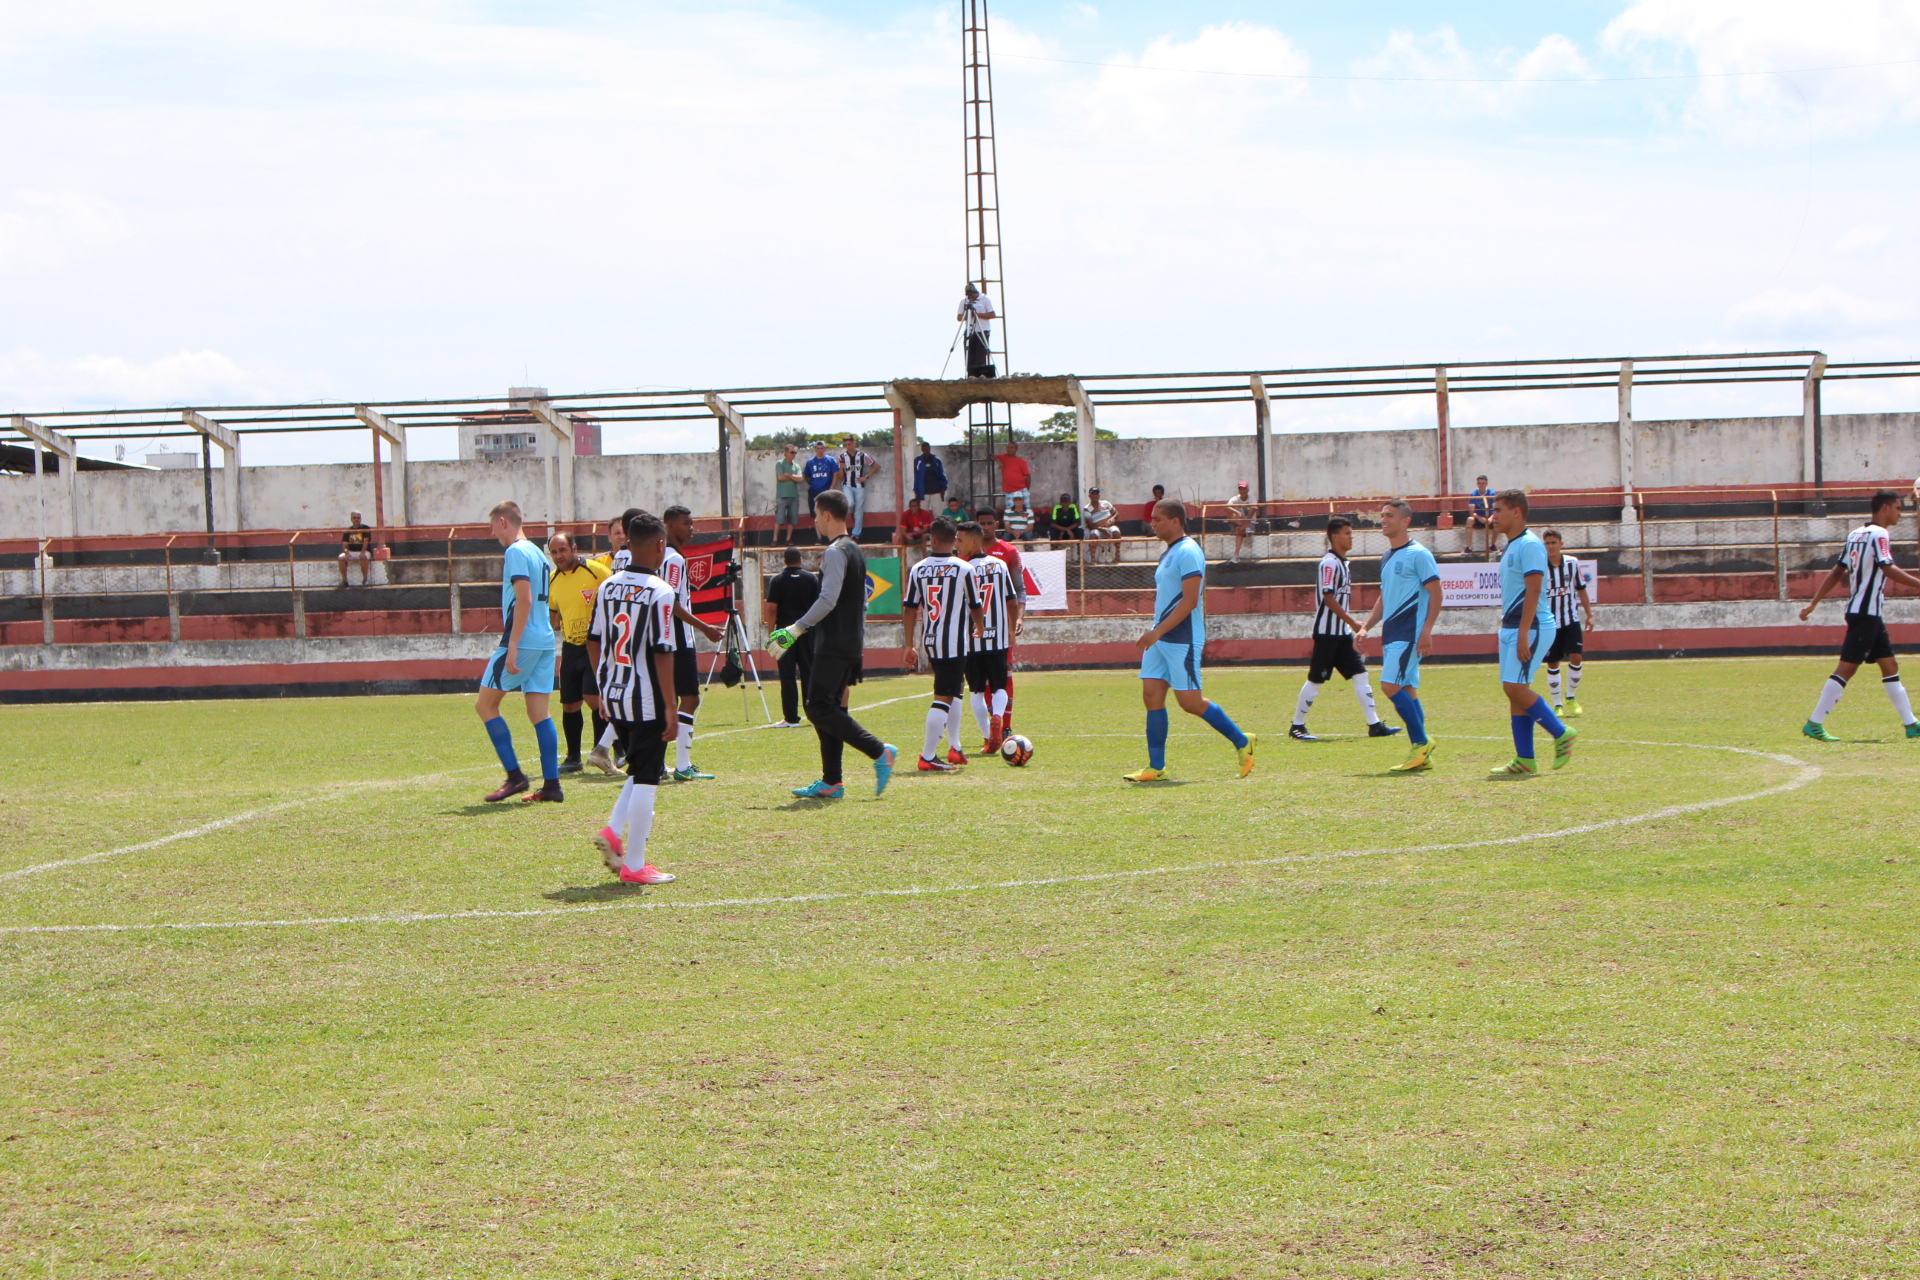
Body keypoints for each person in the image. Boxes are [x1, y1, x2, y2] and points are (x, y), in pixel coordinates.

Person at [768, 490, 898, 799]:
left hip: (834, 641)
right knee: (831, 706)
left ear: (826, 515)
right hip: (848, 640)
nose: (813, 520)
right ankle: (832, 781)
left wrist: (794, 630)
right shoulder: (854, 549)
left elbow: (828, 599)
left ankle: (880, 751)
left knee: (816, 707)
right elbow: (861, 603)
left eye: (815, 514)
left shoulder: (836, 552)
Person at [1123, 500, 1254, 782]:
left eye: (1157, 519)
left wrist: (1157, 632)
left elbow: (1190, 601)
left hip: (1181, 638)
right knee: (1151, 696)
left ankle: (1243, 740)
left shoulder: (1189, 552)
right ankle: (1156, 767)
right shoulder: (1168, 553)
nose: (1152, 524)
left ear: (1175, 521)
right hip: (1160, 637)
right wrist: (1156, 632)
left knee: (1190, 702)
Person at [585, 511, 678, 885]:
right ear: (659, 545)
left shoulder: (608, 585)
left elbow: (593, 641)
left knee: (640, 767)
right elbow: (663, 651)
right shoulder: (660, 591)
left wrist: (604, 685)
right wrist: (671, 707)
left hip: (616, 692)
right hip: (647, 697)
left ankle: (612, 831)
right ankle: (635, 865)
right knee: (648, 777)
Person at [1799, 488, 1920, 741]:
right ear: (1885, 508)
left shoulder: (1856, 534)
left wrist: (1814, 603)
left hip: (1864, 612)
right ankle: (1814, 723)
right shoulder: (1880, 534)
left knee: (1889, 665)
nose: (1901, 513)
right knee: (1846, 669)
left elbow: (1836, 571)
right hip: (1866, 613)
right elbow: (1888, 568)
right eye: (1898, 508)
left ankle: (1911, 725)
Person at [1486, 490, 1577, 778]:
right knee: (1515, 692)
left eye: (1498, 510)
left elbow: (1534, 589)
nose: (1493, 516)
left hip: (1532, 626)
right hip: (1513, 627)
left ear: (1516, 512)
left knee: (1515, 688)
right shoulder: (1511, 546)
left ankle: (1562, 733)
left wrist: (1524, 632)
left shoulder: (1529, 545)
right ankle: (1525, 759)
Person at [476, 500, 562, 803]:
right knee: (539, 712)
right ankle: (552, 786)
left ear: (503, 522)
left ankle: (515, 777)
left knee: (486, 706)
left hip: (523, 638)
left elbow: (523, 599)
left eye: (492, 528)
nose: (494, 535)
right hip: (544, 639)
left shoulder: (514, 551)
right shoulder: (538, 553)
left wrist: (511, 646)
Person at [1290, 517, 1399, 742]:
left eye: (1352, 533)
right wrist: (1352, 622)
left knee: (1360, 674)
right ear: (1335, 536)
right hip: (1327, 633)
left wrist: (1347, 626)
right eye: (1347, 533)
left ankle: (1375, 725)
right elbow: (1328, 598)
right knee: (1316, 679)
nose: (1351, 537)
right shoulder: (1329, 563)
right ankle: (1297, 726)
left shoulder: (1344, 563)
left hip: (1340, 634)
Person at [1356, 499, 1442, 772]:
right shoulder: (1388, 556)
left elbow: (1437, 593)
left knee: (1389, 686)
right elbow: (1385, 596)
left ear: (1405, 521)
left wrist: (1426, 630)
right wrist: (1366, 625)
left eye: (1389, 516)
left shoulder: (1419, 554)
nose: (1383, 520)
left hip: (1409, 633)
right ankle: (1422, 752)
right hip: (1393, 632)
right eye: (1382, 515)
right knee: (1407, 689)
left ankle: (1421, 743)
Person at [900, 518, 978, 772]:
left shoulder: (918, 568)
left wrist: (908, 644)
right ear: (954, 539)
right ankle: (928, 756)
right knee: (944, 697)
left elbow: (910, 607)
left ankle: (954, 746)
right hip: (954, 642)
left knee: (955, 691)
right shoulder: (964, 569)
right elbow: (975, 604)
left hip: (931, 640)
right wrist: (981, 626)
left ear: (932, 539)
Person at [660, 505, 727, 781]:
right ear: (670, 526)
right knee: (689, 698)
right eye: (686, 523)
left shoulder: (659, 555)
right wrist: (705, 628)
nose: (692, 528)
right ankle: (683, 766)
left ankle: (656, 763)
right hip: (677, 639)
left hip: (662, 638)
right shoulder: (673, 559)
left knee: (669, 701)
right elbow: (673, 602)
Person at [546, 531, 613, 773]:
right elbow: (553, 615)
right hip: (570, 647)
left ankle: (602, 752)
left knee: (595, 700)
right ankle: (573, 757)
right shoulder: (553, 579)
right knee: (570, 704)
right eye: (554, 552)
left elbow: (615, 600)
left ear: (574, 547)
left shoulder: (597, 572)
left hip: (596, 646)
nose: (558, 555)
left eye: (562, 550)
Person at [957, 520, 1022, 753]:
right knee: (999, 685)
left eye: (960, 540)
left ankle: (988, 738)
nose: (956, 545)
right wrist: (1012, 628)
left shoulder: (961, 568)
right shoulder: (999, 565)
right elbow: (1011, 601)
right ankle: (997, 717)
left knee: (975, 689)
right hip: (999, 636)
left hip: (972, 637)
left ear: (974, 542)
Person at [975, 507, 1028, 731]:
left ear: (996, 524)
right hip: (975, 627)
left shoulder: (1008, 552)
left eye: (989, 523)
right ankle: (991, 726)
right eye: (982, 524)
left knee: (1004, 671)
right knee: (981, 677)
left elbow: (1020, 590)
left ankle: (1006, 725)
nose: (986, 528)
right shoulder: (967, 554)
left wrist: (1019, 619)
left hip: (1001, 625)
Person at [762, 546, 820, 727]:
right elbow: (818, 606)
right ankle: (814, 714)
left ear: (784, 560)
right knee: (808, 673)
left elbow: (772, 609)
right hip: (806, 631)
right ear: (800, 560)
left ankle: (791, 718)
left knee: (787, 676)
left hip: (784, 634)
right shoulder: (811, 578)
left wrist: (772, 633)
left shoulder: (777, 580)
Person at [1541, 530, 1596, 717]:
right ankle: (1557, 704)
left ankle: (1570, 697)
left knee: (1576, 657)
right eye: (1547, 543)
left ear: (1561, 544)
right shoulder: (1539, 566)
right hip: (1549, 623)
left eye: (1554, 542)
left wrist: (1589, 615)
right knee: (1553, 662)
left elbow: (1581, 589)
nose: (1551, 546)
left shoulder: (1572, 563)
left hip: (1570, 619)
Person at [835, 433, 881, 541]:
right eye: (846, 445)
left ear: (854, 443)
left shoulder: (862, 456)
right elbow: (840, 476)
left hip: (859, 485)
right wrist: (841, 468)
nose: (848, 446)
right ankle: (847, 526)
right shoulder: (842, 457)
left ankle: (855, 534)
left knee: (859, 511)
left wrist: (866, 477)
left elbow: (876, 466)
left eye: (850, 444)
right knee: (849, 504)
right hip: (847, 485)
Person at [958, 283, 997, 379]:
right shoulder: (964, 302)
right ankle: (970, 375)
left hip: (982, 330)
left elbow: (992, 314)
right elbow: (959, 317)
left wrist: (978, 314)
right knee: (969, 354)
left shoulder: (985, 299)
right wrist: (968, 315)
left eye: (973, 295)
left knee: (980, 355)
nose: (971, 297)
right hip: (969, 331)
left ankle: (980, 375)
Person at [802, 442, 837, 540]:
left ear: (824, 449)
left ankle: (830, 536)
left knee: (829, 514)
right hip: (814, 491)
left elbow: (835, 474)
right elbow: (807, 476)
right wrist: (813, 483)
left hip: (826, 490)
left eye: (822, 448)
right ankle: (819, 537)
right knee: (817, 515)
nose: (820, 450)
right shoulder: (810, 462)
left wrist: (831, 488)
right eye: (818, 448)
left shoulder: (830, 460)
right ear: (815, 449)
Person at [590, 508, 639, 576]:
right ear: (609, 537)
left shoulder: (638, 561)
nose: (622, 537)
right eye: (617, 533)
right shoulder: (596, 562)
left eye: (625, 533)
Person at [773, 444, 802, 545]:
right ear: (786, 453)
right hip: (782, 495)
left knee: (792, 519)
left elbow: (800, 479)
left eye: (795, 452)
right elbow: (780, 477)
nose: (794, 454)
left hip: (794, 496)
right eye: (792, 452)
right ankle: (775, 539)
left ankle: (788, 539)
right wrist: (794, 478)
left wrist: (789, 475)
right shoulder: (780, 464)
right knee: (779, 518)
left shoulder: (796, 466)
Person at [1083, 487, 1120, 562]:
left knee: (1116, 531)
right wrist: (1102, 529)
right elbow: (1090, 524)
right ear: (1089, 496)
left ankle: (1117, 555)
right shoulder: (1087, 508)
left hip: (1110, 527)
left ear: (1099, 495)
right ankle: (1093, 559)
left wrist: (1113, 518)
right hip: (1098, 529)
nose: (1095, 495)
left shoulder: (1105, 503)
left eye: (1097, 494)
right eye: (1093, 494)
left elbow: (1116, 513)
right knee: (1093, 534)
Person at [1466, 475, 1497, 560]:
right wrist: (1479, 518)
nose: (1481, 485)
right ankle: (1468, 547)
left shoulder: (1492, 494)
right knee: (1469, 519)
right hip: (1478, 518)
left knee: (1497, 521)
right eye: (1479, 483)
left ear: (1487, 483)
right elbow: (1472, 512)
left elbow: (1496, 510)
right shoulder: (1473, 494)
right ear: (1477, 484)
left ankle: (1492, 545)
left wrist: (1490, 518)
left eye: (1483, 483)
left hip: (1489, 517)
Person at [339, 511, 374, 585]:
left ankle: (365, 580)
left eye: (358, 518)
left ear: (361, 519)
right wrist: (347, 553)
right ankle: (344, 581)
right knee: (341, 558)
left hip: (364, 551)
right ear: (351, 519)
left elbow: (366, 542)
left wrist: (362, 552)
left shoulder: (365, 528)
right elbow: (344, 545)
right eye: (354, 518)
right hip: (351, 551)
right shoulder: (348, 530)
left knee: (363, 557)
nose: (356, 519)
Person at [1226, 482, 1256, 563]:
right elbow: (1227, 507)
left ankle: (1236, 555)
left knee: (1240, 532)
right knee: (1230, 512)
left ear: (1247, 490)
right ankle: (1236, 555)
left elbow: (1251, 515)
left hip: (1249, 522)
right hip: (1238, 521)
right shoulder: (1235, 498)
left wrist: (1243, 526)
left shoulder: (1252, 499)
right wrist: (1237, 512)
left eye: (1244, 489)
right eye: (1240, 489)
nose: (1242, 491)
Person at [995, 440, 1031, 508]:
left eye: (1011, 447)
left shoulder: (1022, 461)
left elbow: (1028, 476)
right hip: (1009, 491)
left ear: (1016, 449)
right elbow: (990, 455)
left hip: (1022, 489)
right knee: (1010, 511)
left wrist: (1026, 490)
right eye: (1008, 447)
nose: (1009, 449)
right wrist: (998, 461)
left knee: (1026, 509)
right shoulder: (1004, 457)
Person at [913, 441, 948, 510]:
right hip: (923, 492)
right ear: (922, 449)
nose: (926, 451)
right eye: (924, 449)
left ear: (930, 448)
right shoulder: (918, 461)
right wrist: (916, 491)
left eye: (928, 449)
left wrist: (944, 487)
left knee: (938, 513)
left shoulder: (937, 461)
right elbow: (916, 477)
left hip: (936, 491)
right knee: (924, 513)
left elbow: (941, 474)